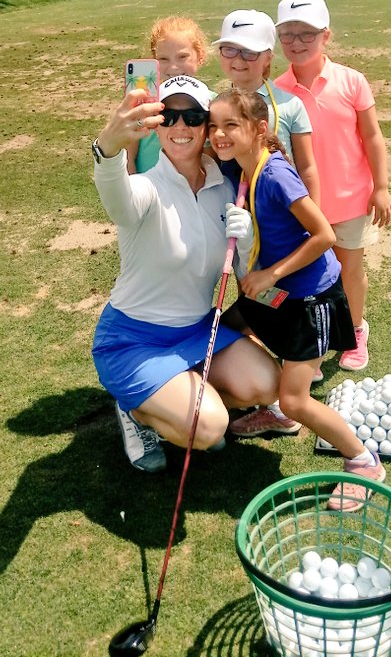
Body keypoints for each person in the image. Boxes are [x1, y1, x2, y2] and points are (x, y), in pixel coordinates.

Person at [208, 88, 387, 511]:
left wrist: (270, 272)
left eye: (231, 125)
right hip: (276, 294)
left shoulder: (274, 175)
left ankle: (363, 461)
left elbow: (324, 234)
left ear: (259, 128)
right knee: (224, 330)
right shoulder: (241, 169)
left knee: (296, 397)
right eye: (213, 126)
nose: (219, 135)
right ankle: (278, 415)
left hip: (311, 300)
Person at [91, 74, 280, 472]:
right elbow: (117, 202)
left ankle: (174, 397)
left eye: (193, 117)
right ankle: (137, 410)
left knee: (266, 383)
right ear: (157, 125)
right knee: (211, 427)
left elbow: (246, 273)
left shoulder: (226, 189)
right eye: (170, 117)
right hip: (134, 339)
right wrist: (107, 149)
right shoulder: (145, 188)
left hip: (197, 331)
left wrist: (246, 241)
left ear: (207, 128)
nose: (181, 127)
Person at [213, 9, 322, 438]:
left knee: (271, 305)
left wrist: (313, 219)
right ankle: (272, 389)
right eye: (229, 50)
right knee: (247, 307)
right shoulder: (212, 104)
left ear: (267, 58)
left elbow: (308, 168)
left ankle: (286, 394)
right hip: (230, 229)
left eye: (249, 53)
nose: (239, 60)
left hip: (275, 237)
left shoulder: (290, 105)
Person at [274, 0, 391, 373]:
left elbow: (372, 136)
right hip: (302, 204)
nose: (296, 42)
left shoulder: (351, 81)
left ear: (326, 36)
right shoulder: (276, 90)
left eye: (307, 34)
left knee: (349, 269)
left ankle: (356, 329)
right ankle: (312, 337)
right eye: (288, 34)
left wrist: (381, 187)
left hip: (349, 199)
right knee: (308, 275)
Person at [127, 16, 208, 174]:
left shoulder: (211, 102)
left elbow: (212, 161)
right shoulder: (141, 106)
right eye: (163, 59)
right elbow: (128, 157)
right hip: (149, 193)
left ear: (200, 56)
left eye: (182, 57)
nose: (173, 67)